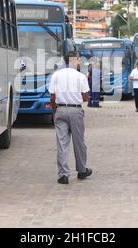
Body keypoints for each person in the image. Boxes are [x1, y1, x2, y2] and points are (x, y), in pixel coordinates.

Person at [49, 51, 93, 185]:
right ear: (74, 60)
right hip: (75, 110)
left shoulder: (56, 75)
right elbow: (85, 97)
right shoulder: (81, 77)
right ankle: (81, 170)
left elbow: (52, 96)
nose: (79, 62)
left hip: (60, 110)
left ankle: (63, 174)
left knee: (62, 143)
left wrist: (55, 110)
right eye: (79, 60)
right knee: (79, 142)